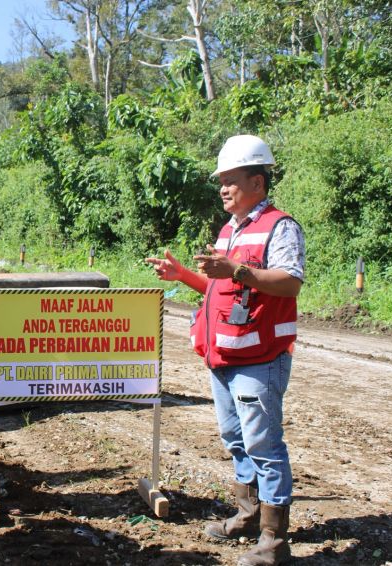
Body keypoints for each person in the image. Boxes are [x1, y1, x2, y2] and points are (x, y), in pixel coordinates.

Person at [146, 135, 304, 566]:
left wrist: (237, 269)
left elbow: (290, 282)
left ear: (257, 182)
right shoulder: (231, 229)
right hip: (224, 357)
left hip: (260, 358)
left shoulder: (280, 227)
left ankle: (274, 541)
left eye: (231, 180)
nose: (223, 189)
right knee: (236, 439)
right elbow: (222, 289)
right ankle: (248, 516)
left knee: (263, 444)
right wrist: (183, 275)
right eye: (221, 181)